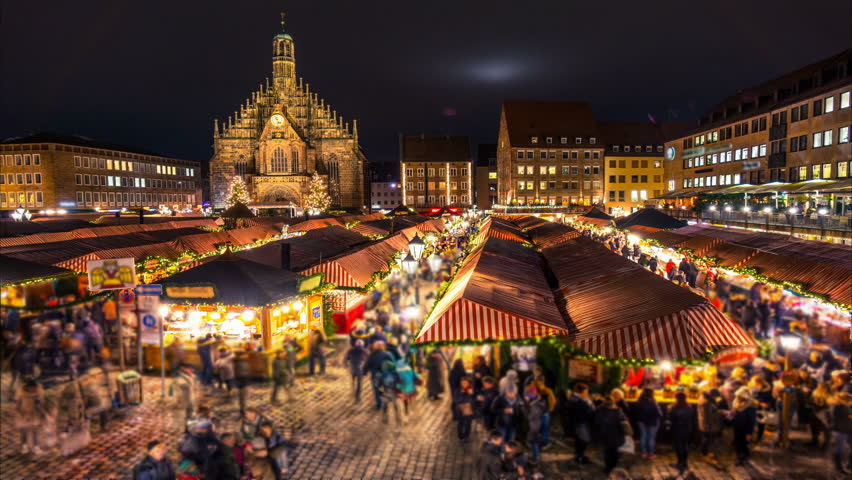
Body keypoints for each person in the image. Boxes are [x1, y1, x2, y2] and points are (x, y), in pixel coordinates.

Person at [563, 382, 595, 464]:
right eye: (586, 391)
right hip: (581, 423)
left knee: (580, 440)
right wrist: (591, 404)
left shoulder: (576, 398)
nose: (587, 393)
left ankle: (579, 455)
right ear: (581, 392)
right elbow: (588, 411)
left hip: (578, 423)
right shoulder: (578, 401)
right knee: (584, 440)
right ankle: (579, 457)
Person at [595, 395, 627, 475]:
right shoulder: (618, 411)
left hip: (604, 435)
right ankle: (613, 467)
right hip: (616, 436)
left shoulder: (599, 410)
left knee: (607, 452)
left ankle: (608, 468)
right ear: (613, 403)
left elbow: (596, 422)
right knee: (615, 452)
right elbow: (623, 422)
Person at [15, 379, 45, 455]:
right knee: (24, 432)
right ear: (28, 387)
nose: (33, 389)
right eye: (31, 388)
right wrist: (21, 414)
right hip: (23, 415)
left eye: (34, 388)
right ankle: (24, 447)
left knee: (35, 432)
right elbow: (17, 406)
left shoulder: (38, 394)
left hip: (34, 415)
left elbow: (41, 405)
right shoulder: (21, 394)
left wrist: (40, 408)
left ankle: (36, 447)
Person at [731, 386, 757, 466]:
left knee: (742, 443)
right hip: (737, 426)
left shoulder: (750, 407)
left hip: (745, 428)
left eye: (739, 397)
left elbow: (751, 421)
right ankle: (744, 453)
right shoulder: (736, 402)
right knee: (739, 442)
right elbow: (734, 413)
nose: (737, 398)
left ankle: (740, 458)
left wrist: (749, 433)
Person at [633, 388, 662, 459]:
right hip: (652, 422)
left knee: (643, 436)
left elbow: (636, 412)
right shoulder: (653, 402)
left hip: (642, 422)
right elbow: (660, 414)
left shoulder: (639, 402)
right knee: (651, 438)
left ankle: (644, 453)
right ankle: (651, 454)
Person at [669, 391, 693, 473]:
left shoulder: (675, 407)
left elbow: (672, 417)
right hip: (686, 428)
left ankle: (680, 462)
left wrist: (669, 409)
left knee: (678, 446)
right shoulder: (688, 407)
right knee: (684, 445)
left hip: (678, 428)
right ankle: (685, 463)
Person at [365, 341, 394, 409]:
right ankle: (388, 397)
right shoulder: (387, 354)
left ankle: (379, 404)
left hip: (375, 376)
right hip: (385, 375)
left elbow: (367, 364)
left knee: (376, 389)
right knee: (386, 387)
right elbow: (393, 364)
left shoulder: (372, 355)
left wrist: (364, 372)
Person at [697, 388, 725, 460]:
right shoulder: (707, 403)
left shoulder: (704, 398)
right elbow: (711, 415)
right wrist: (721, 413)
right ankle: (704, 453)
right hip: (708, 424)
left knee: (706, 438)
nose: (716, 398)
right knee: (707, 439)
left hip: (704, 422)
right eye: (715, 396)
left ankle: (705, 452)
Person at [523, 385, 547, 465]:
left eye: (525, 396)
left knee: (534, 443)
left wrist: (523, 410)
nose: (524, 397)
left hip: (534, 427)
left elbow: (529, 417)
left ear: (530, 397)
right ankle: (535, 457)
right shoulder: (537, 403)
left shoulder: (534, 407)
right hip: (536, 425)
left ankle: (535, 459)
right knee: (535, 442)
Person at [828, 391, 852, 474]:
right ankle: (838, 467)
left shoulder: (842, 406)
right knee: (839, 449)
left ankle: (848, 464)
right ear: (845, 400)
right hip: (840, 431)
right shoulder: (839, 407)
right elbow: (846, 416)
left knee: (844, 448)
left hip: (847, 430)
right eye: (850, 401)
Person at [749, 375, 775, 444]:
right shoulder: (756, 388)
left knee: (760, 423)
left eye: (753, 382)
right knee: (757, 423)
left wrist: (767, 404)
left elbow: (771, 398)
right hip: (758, 407)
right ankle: (755, 438)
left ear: (757, 382)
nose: (752, 383)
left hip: (760, 408)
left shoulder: (766, 389)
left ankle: (757, 438)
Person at [379, 360, 402, 426]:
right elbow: (400, 381)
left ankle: (385, 416)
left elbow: (380, 383)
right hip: (393, 391)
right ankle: (397, 416)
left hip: (386, 391)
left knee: (385, 405)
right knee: (395, 405)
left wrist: (380, 391)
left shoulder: (383, 374)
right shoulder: (395, 373)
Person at [455, 376, 476, 442]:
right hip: (460, 410)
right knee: (460, 424)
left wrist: (472, 395)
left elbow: (475, 400)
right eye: (462, 383)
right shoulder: (458, 390)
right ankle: (460, 436)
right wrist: (463, 393)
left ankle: (466, 436)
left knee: (468, 424)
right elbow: (457, 400)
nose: (464, 384)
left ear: (469, 383)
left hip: (470, 410)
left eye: (465, 383)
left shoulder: (471, 390)